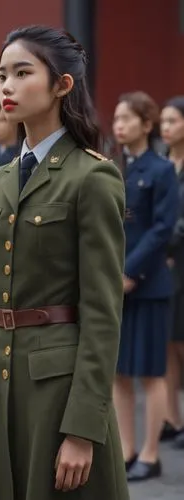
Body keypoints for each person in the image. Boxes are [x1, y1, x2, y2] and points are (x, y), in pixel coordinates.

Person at [0, 25, 129, 500]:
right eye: (0, 76)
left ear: (62, 85)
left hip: (59, 391)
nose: (6, 86)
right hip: (1, 390)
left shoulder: (92, 177)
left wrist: (83, 427)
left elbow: (102, 312)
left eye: (21, 72)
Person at [112, 91, 178, 481]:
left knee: (151, 373)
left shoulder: (160, 169)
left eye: (127, 118)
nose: (118, 124)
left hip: (148, 285)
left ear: (146, 124)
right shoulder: (116, 168)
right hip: (115, 282)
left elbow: (162, 229)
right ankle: (126, 449)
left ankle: (151, 455)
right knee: (119, 372)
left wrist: (131, 273)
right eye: (116, 118)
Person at [160, 96, 184, 448]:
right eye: (162, 121)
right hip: (165, 265)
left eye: (173, 121)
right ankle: (171, 418)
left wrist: (165, 240)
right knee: (166, 343)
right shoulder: (164, 164)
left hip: (180, 259)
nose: (166, 128)